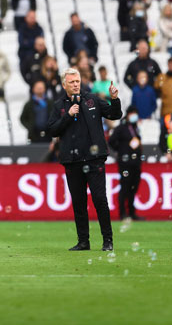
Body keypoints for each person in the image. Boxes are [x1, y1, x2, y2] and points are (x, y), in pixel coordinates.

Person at [47, 68, 122, 251]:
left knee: (99, 199)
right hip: (72, 160)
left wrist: (114, 99)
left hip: (94, 158)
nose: (75, 85)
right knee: (79, 202)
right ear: (64, 84)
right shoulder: (59, 106)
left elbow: (115, 114)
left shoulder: (92, 99)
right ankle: (83, 241)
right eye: (71, 82)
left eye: (77, 81)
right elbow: (52, 130)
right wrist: (68, 115)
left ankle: (108, 240)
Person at [108, 106, 144, 221]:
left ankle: (132, 212)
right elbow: (111, 141)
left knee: (133, 187)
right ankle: (122, 213)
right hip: (125, 162)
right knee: (125, 187)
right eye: (132, 113)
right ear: (128, 115)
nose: (134, 116)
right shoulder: (121, 128)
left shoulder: (136, 128)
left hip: (136, 162)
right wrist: (121, 150)